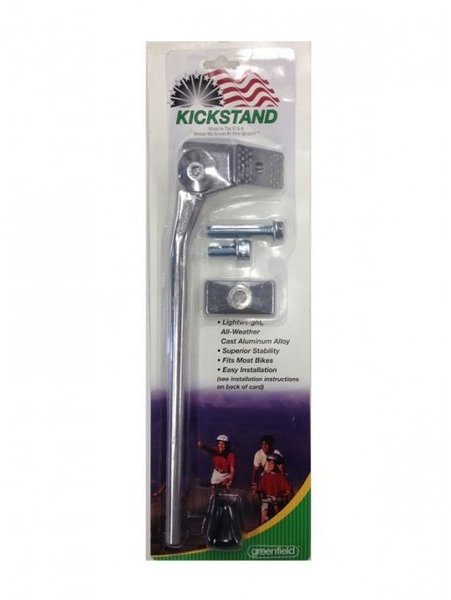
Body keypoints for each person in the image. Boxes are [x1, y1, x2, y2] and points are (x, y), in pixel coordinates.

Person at [257, 454, 292, 523]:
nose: (270, 464)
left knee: (276, 506)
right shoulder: (265, 476)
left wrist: (283, 495)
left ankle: (279, 522)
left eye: (272, 463)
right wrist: (261, 494)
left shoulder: (281, 477)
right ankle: (263, 524)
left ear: (276, 464)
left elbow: (288, 491)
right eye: (269, 462)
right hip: (267, 499)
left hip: (278, 499)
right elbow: (260, 489)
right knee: (264, 508)